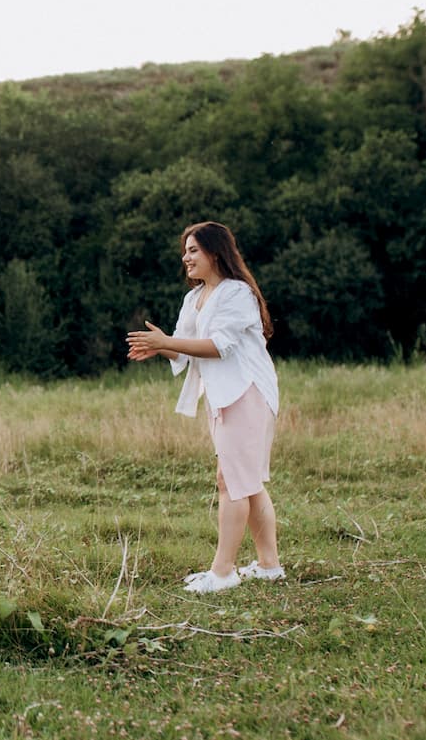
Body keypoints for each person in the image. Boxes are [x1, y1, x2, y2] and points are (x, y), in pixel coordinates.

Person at [126, 221, 284, 594]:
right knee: (246, 481)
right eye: (185, 250)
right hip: (220, 395)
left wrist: (167, 341)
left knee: (231, 480)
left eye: (193, 250)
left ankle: (223, 572)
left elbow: (218, 346)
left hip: (246, 391)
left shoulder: (237, 293)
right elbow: (185, 345)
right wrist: (158, 347)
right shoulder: (193, 298)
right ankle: (269, 565)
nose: (186, 257)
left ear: (216, 252)